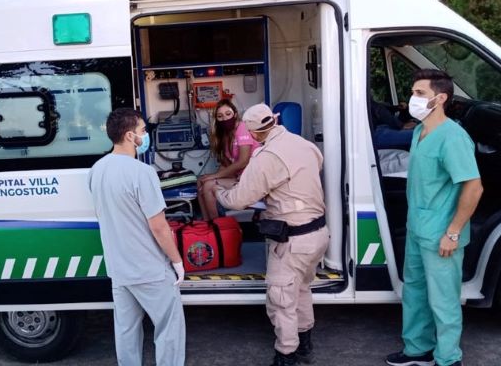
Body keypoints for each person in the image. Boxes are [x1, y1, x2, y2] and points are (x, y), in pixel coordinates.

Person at [213, 103, 329, 366]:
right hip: (318, 234)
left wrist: (219, 190)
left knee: (280, 300)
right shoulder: (303, 143)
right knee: (300, 289)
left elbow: (239, 200)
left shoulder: (267, 158)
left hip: (292, 240)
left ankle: (286, 355)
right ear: (274, 121)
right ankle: (304, 343)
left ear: (252, 134)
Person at [385, 70, 483, 366]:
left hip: (441, 234)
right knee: (414, 292)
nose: (412, 99)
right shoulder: (420, 131)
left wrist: (452, 232)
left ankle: (448, 358)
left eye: (420, 94)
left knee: (443, 300)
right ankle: (417, 349)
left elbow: (474, 187)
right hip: (418, 229)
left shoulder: (452, 138)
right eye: (413, 92)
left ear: (440, 99)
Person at [88, 108, 186, 366]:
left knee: (126, 332)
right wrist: (177, 262)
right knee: (169, 330)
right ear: (131, 136)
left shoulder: (96, 170)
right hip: (149, 269)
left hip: (118, 269)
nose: (146, 135)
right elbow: (159, 227)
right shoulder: (142, 173)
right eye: (143, 131)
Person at [197, 99, 260, 220]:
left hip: (251, 179)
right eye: (220, 116)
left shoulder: (242, 128)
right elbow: (226, 164)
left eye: (228, 114)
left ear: (235, 114)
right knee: (200, 181)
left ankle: (218, 227)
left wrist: (214, 177)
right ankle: (206, 224)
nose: (225, 118)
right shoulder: (225, 135)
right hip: (238, 177)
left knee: (208, 186)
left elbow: (243, 162)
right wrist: (213, 175)